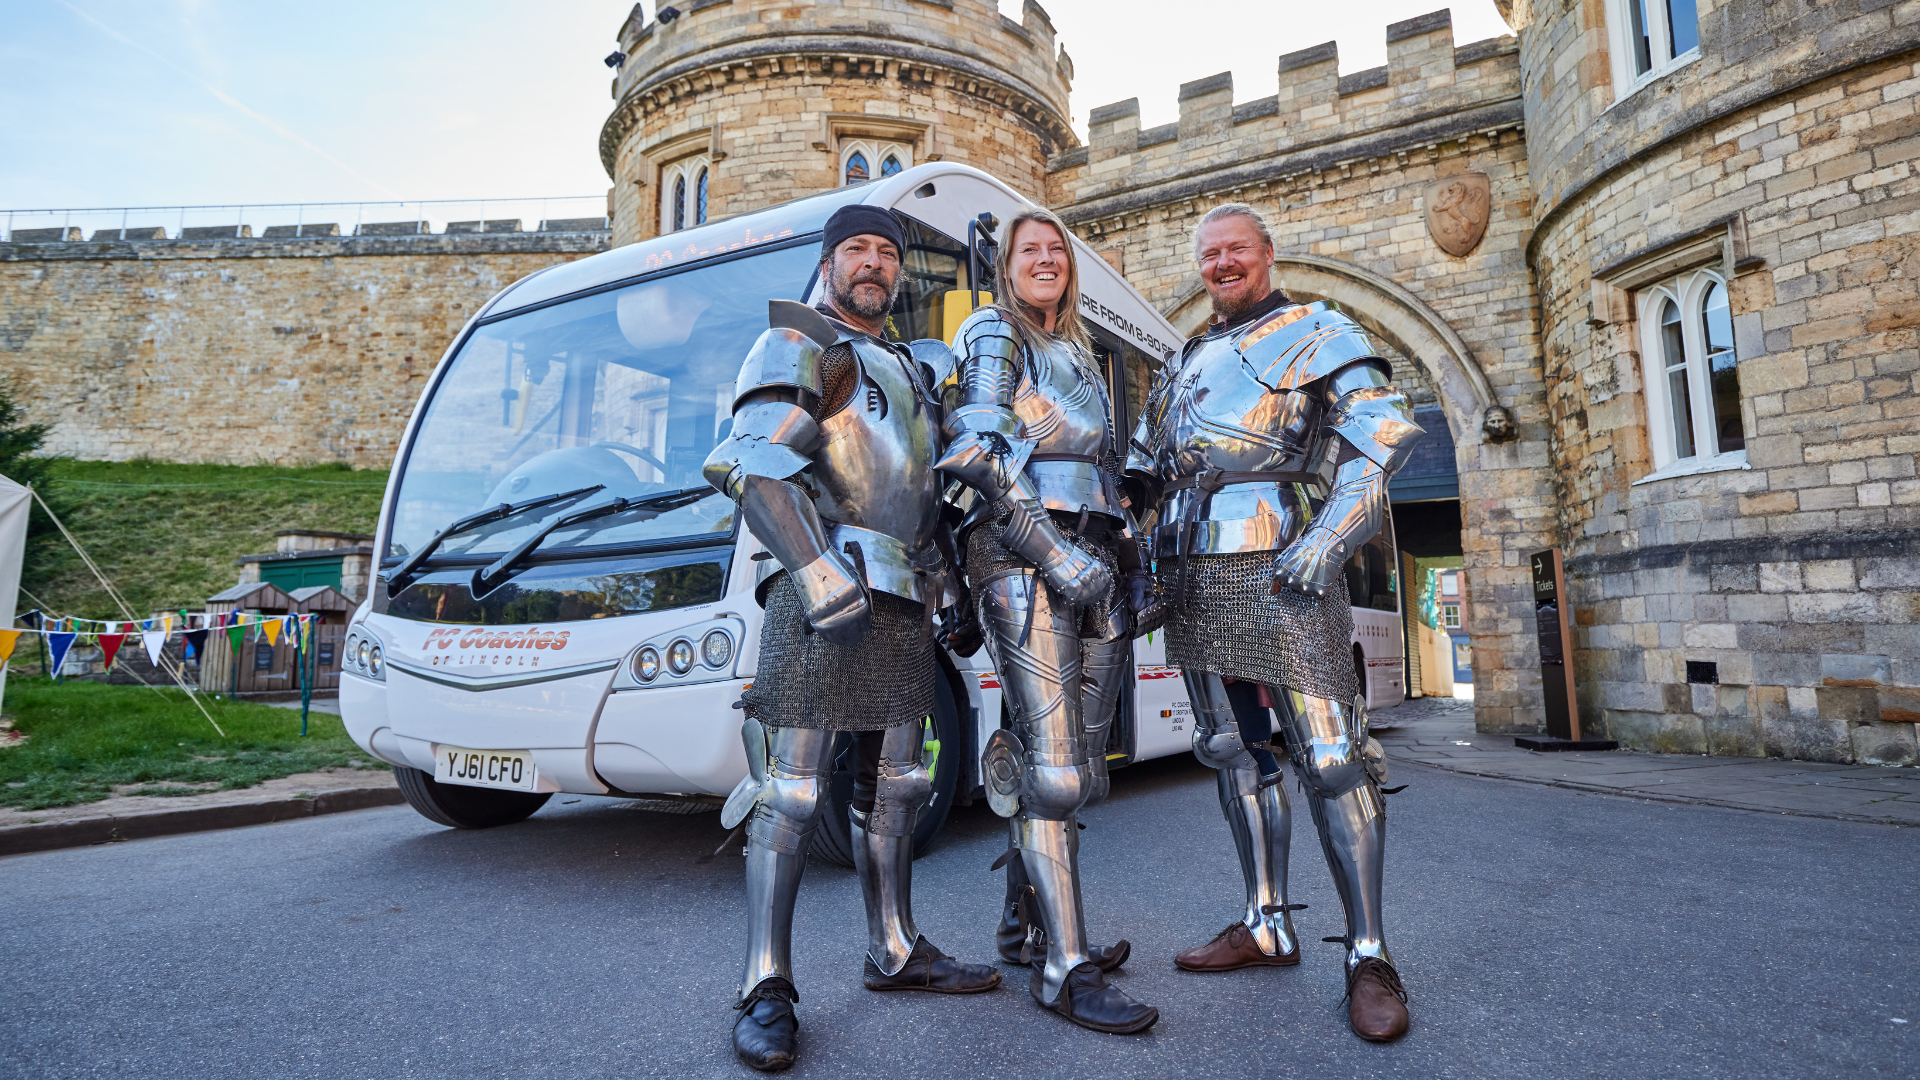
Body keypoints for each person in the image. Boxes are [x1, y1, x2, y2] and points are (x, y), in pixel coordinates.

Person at [704, 205, 1001, 1073]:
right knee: (791, 795)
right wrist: (814, 569)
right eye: (856, 251)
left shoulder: (907, 366)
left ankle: (896, 947)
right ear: (829, 262)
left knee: (900, 787)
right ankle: (766, 983)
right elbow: (752, 461)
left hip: (906, 594)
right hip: (825, 589)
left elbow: (924, 492)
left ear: (898, 273)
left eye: (885, 254)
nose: (872, 264)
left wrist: (953, 587)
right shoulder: (804, 339)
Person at [1123, 203, 1424, 1043]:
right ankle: (1265, 923)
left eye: (1235, 251)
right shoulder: (1188, 359)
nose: (1221, 264)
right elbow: (1152, 461)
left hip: (1279, 556)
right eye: (1209, 254)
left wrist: (1328, 539)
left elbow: (1382, 434)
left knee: (1332, 758)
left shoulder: (1317, 327)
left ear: (1265, 254)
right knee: (1232, 753)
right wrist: (1125, 503)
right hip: (1191, 565)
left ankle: (1369, 953)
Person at [937, 207, 1158, 1034]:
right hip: (1024, 553)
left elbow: (1107, 472)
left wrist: (1125, 555)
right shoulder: (994, 333)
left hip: (1096, 551)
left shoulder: (1081, 355)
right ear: (1005, 266)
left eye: (1055, 251)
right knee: (1058, 772)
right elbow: (977, 452)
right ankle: (1064, 970)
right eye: (1029, 250)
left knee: (1075, 769)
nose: (1045, 260)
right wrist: (1054, 555)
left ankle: (1023, 926)